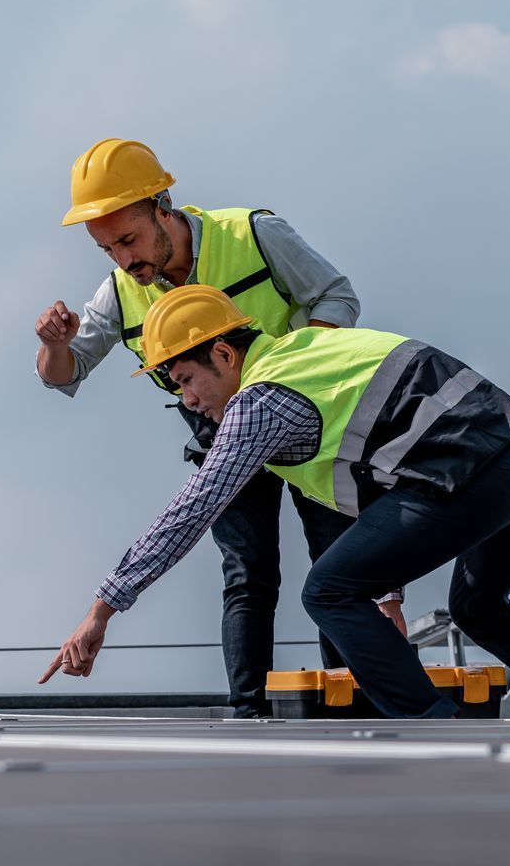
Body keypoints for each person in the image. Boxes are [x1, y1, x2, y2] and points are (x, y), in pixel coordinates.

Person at [39, 286, 510, 722]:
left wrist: (102, 610)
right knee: (482, 609)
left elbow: (192, 510)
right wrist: (389, 595)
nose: (189, 400)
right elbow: (373, 491)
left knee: (325, 589)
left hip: (468, 476)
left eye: (186, 380)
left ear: (224, 354)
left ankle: (436, 731)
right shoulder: (308, 350)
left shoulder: (260, 402)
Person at [35, 138, 400, 715]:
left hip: (303, 424)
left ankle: (360, 702)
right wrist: (53, 345)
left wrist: (296, 377)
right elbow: (65, 374)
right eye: (106, 249)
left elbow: (337, 295)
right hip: (221, 430)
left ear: (163, 207)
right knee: (247, 573)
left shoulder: (253, 234)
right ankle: (249, 711)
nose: (124, 261)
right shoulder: (118, 292)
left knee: (338, 568)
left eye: (128, 240)